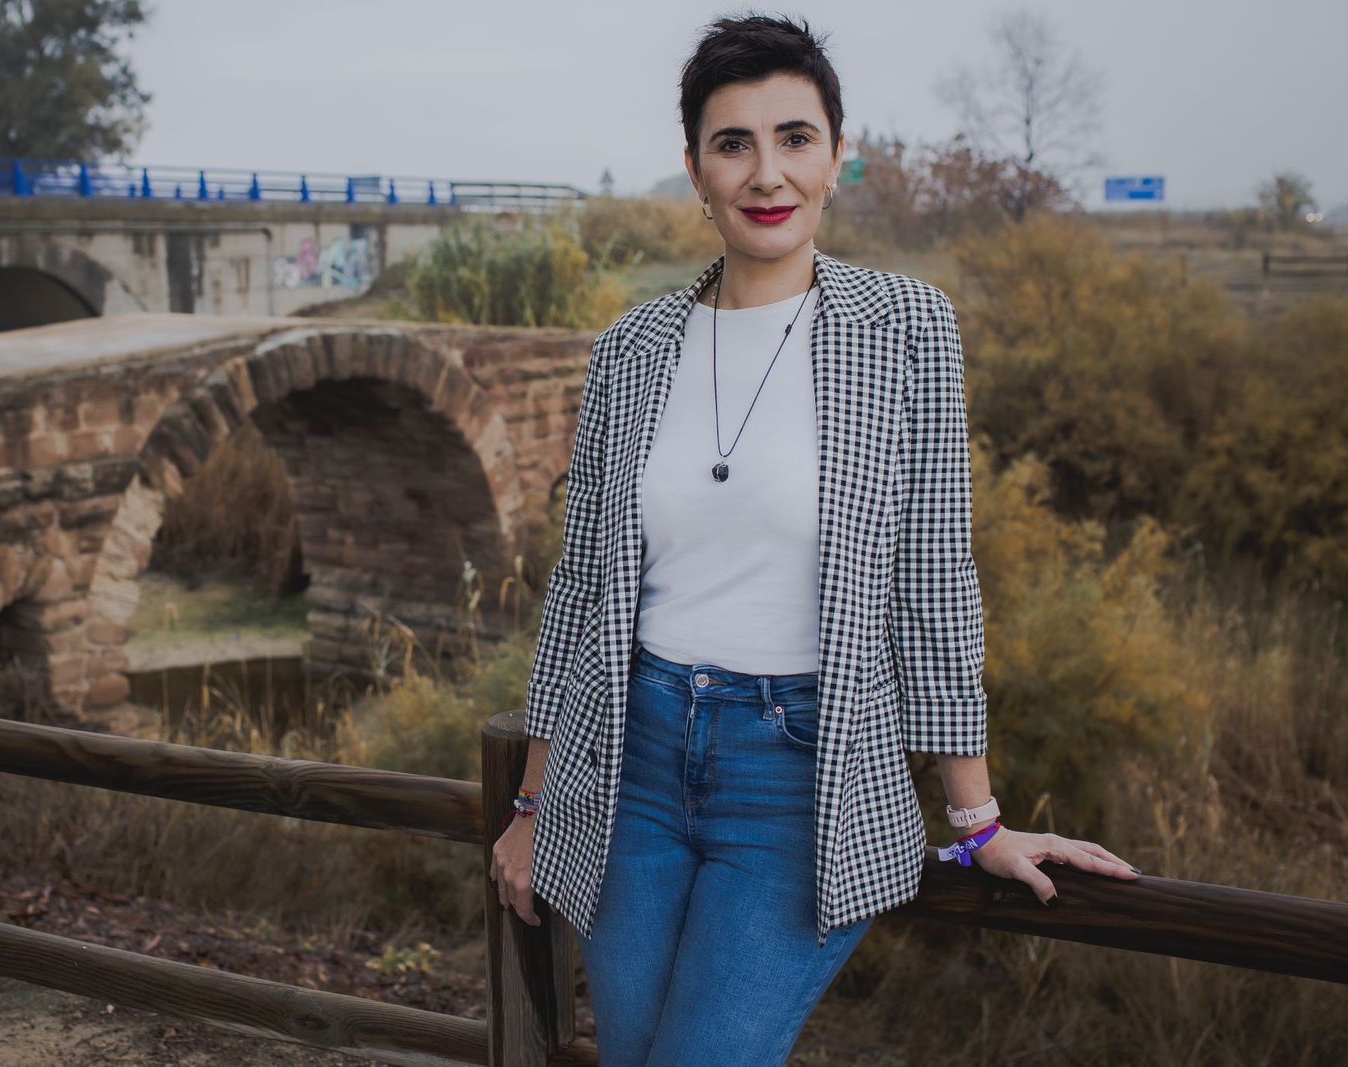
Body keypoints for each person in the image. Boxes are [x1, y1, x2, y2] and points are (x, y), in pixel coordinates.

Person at [487, 12, 1141, 1065]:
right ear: (694, 169)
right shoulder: (633, 345)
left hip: (798, 773)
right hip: (631, 764)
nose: (765, 171)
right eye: (731, 142)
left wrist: (974, 819)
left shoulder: (905, 327)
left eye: (794, 137)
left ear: (839, 154)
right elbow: (584, 589)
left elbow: (932, 579)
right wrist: (531, 799)